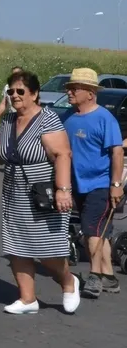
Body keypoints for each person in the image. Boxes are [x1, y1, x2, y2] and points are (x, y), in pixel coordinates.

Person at [0, 69, 79, 315]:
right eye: (10, 91)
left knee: (47, 250)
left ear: (34, 94)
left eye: (20, 91)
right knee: (16, 246)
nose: (14, 95)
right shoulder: (8, 121)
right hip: (14, 192)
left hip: (42, 192)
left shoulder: (48, 119)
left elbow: (63, 154)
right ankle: (27, 298)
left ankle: (68, 282)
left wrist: (63, 190)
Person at [60, 68, 125, 298]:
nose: (69, 92)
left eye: (74, 88)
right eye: (68, 88)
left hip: (100, 185)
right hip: (75, 185)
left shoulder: (104, 118)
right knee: (99, 231)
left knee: (91, 230)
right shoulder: (67, 117)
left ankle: (94, 277)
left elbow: (117, 153)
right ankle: (109, 279)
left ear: (89, 92)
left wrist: (116, 184)